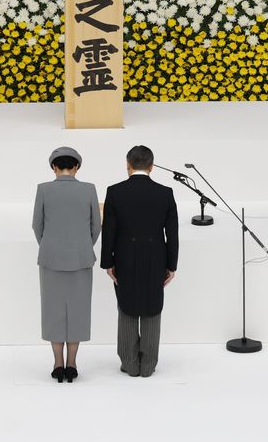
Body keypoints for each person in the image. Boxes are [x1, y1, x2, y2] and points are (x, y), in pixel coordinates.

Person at [99, 144, 179, 377]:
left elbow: (109, 231)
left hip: (124, 257)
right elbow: (172, 234)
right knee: (152, 307)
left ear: (128, 165)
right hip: (156, 258)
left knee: (127, 306)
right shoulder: (165, 193)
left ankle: (130, 363)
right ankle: (148, 365)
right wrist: (171, 265)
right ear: (151, 167)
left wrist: (107, 263)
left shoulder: (115, 192)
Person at [32, 145, 102, 383]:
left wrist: (49, 245)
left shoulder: (43, 189)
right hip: (81, 258)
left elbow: (37, 225)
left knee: (53, 311)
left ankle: (57, 363)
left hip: (50, 258)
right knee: (78, 310)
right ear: (77, 167)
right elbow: (96, 226)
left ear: (54, 167)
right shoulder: (89, 189)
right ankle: (72, 363)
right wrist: (83, 245)